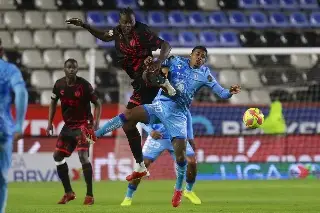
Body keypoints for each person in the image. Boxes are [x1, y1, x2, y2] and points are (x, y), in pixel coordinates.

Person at [89, 46, 241, 207]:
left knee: (182, 158)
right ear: (191, 54)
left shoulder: (204, 74)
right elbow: (158, 66)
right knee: (129, 115)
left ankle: (179, 190)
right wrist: (154, 66)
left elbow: (222, 93)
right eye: (197, 54)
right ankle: (96, 134)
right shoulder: (175, 60)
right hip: (160, 106)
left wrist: (230, 91)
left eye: (203, 57)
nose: (200, 58)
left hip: (177, 116)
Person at [66, 7, 174, 180]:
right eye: (125, 22)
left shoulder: (142, 31)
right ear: (120, 22)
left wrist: (158, 60)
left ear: (134, 21)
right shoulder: (117, 32)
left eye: (131, 22)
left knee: (149, 71)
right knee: (127, 123)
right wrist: (85, 25)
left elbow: (165, 45)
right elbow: (103, 36)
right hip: (138, 84)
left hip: (148, 77)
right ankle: (140, 166)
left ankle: (165, 83)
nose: (128, 26)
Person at [46, 59, 102, 205]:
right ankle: (68, 193)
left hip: (85, 126)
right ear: (64, 69)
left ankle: (90, 195)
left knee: (83, 157)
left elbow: (98, 103)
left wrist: (96, 122)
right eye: (69, 67)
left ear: (77, 70)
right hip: (69, 126)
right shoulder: (59, 85)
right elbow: (52, 102)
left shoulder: (84, 85)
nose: (71, 70)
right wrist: (49, 123)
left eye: (74, 68)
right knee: (57, 156)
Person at [121, 121, 202, 206]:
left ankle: (188, 191)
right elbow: (141, 118)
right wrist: (150, 131)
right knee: (143, 164)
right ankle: (128, 196)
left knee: (192, 162)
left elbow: (187, 116)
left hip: (177, 137)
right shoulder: (152, 107)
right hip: (157, 138)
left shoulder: (180, 107)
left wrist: (191, 137)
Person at [0, 38, 28, 213]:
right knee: (1, 178)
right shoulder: (9, 70)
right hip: (3, 129)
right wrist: (18, 125)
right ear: (1, 51)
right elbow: (21, 93)